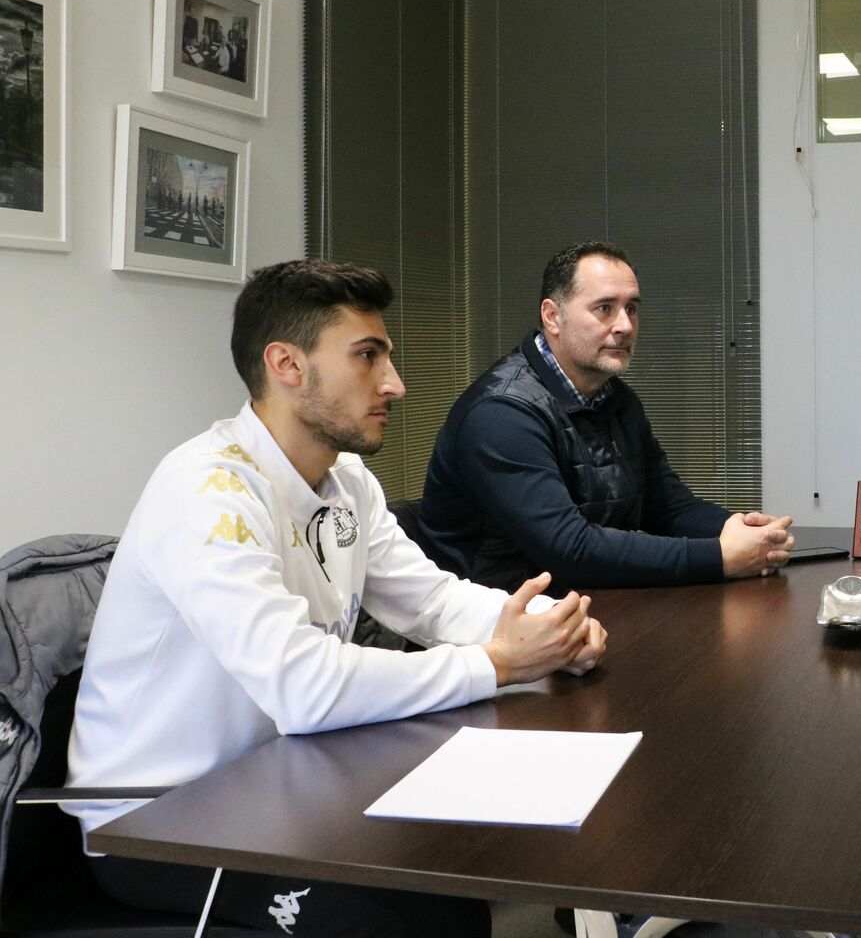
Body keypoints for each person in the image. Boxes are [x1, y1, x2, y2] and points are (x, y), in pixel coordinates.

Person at [66, 259, 607, 937]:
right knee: (418, 922)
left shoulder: (345, 480)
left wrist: (542, 628)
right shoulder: (206, 494)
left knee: (457, 885)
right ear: (287, 364)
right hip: (161, 823)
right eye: (367, 357)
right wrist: (498, 662)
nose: (395, 383)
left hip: (285, 781)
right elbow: (305, 686)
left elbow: (429, 599)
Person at [416, 240, 794, 592]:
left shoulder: (616, 398)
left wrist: (742, 531)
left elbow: (666, 505)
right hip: (496, 627)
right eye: (604, 308)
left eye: (631, 308)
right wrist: (721, 556)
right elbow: (568, 549)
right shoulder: (501, 413)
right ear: (553, 317)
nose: (625, 325)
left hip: (583, 605)